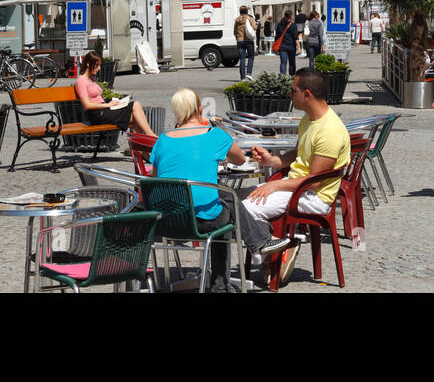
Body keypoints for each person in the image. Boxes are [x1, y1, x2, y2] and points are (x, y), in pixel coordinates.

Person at [240, 68, 351, 279]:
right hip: (296, 187)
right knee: (233, 200)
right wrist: (271, 160)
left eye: (293, 90)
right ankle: (272, 248)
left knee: (247, 208)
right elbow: (298, 154)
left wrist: (274, 185)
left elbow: (313, 183)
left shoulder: (330, 131)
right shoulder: (308, 119)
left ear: (307, 94)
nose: (290, 95)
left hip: (314, 197)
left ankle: (271, 255)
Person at [150, 88, 248, 291]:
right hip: (203, 222)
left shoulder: (163, 139)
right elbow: (240, 159)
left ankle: (259, 243)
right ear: (200, 109)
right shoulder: (214, 135)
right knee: (226, 205)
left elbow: (155, 180)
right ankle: (221, 284)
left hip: (168, 221)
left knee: (221, 196)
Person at [73, 51, 156, 135]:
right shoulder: (81, 81)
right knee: (135, 109)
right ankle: (151, 137)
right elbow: (87, 105)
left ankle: (140, 145)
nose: (99, 68)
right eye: (97, 65)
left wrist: (113, 103)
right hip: (97, 115)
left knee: (136, 110)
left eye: (99, 65)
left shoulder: (92, 78)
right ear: (88, 64)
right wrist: (108, 105)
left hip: (104, 110)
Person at [233, 6, 258, 81]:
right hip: (249, 41)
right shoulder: (250, 18)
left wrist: (238, 38)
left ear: (240, 11)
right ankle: (249, 73)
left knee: (242, 59)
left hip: (240, 41)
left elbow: (235, 32)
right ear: (247, 11)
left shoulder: (237, 20)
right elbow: (255, 27)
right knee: (251, 57)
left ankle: (242, 77)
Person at [274, 11, 302, 75]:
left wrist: (276, 46)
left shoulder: (280, 24)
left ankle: (282, 77)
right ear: (291, 16)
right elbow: (296, 38)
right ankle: (291, 77)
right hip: (291, 47)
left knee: (283, 63)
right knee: (292, 63)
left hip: (282, 46)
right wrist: (299, 48)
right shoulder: (293, 25)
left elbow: (277, 36)